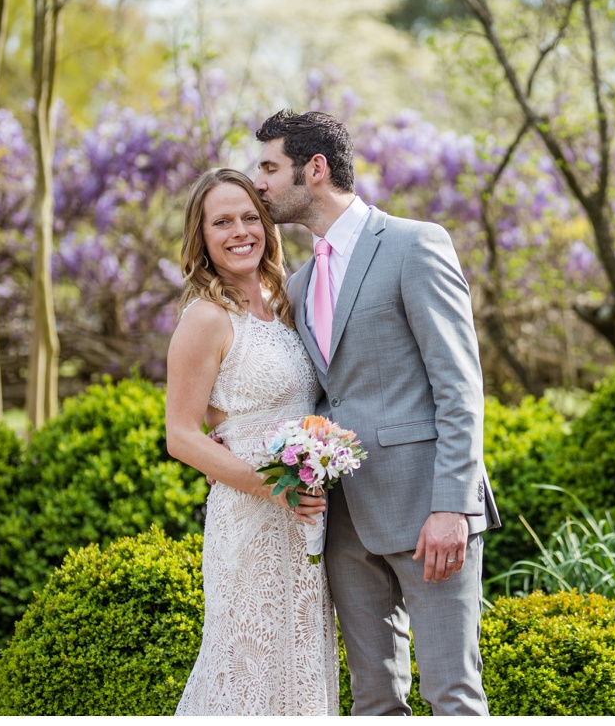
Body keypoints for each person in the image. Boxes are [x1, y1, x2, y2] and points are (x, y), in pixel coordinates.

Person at [252, 110, 500, 716]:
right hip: (344, 524)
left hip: (427, 514)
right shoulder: (300, 282)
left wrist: (452, 506)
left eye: (269, 167)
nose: (258, 183)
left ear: (314, 169)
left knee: (453, 693)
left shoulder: (416, 245)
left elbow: (460, 387)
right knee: (372, 701)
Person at [165, 168, 338, 716]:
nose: (240, 231)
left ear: (266, 224)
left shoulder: (288, 303)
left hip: (306, 520)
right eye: (222, 222)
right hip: (249, 518)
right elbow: (182, 436)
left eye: (248, 217)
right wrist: (274, 488)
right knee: (245, 660)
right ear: (202, 238)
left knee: (301, 661)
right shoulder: (206, 319)